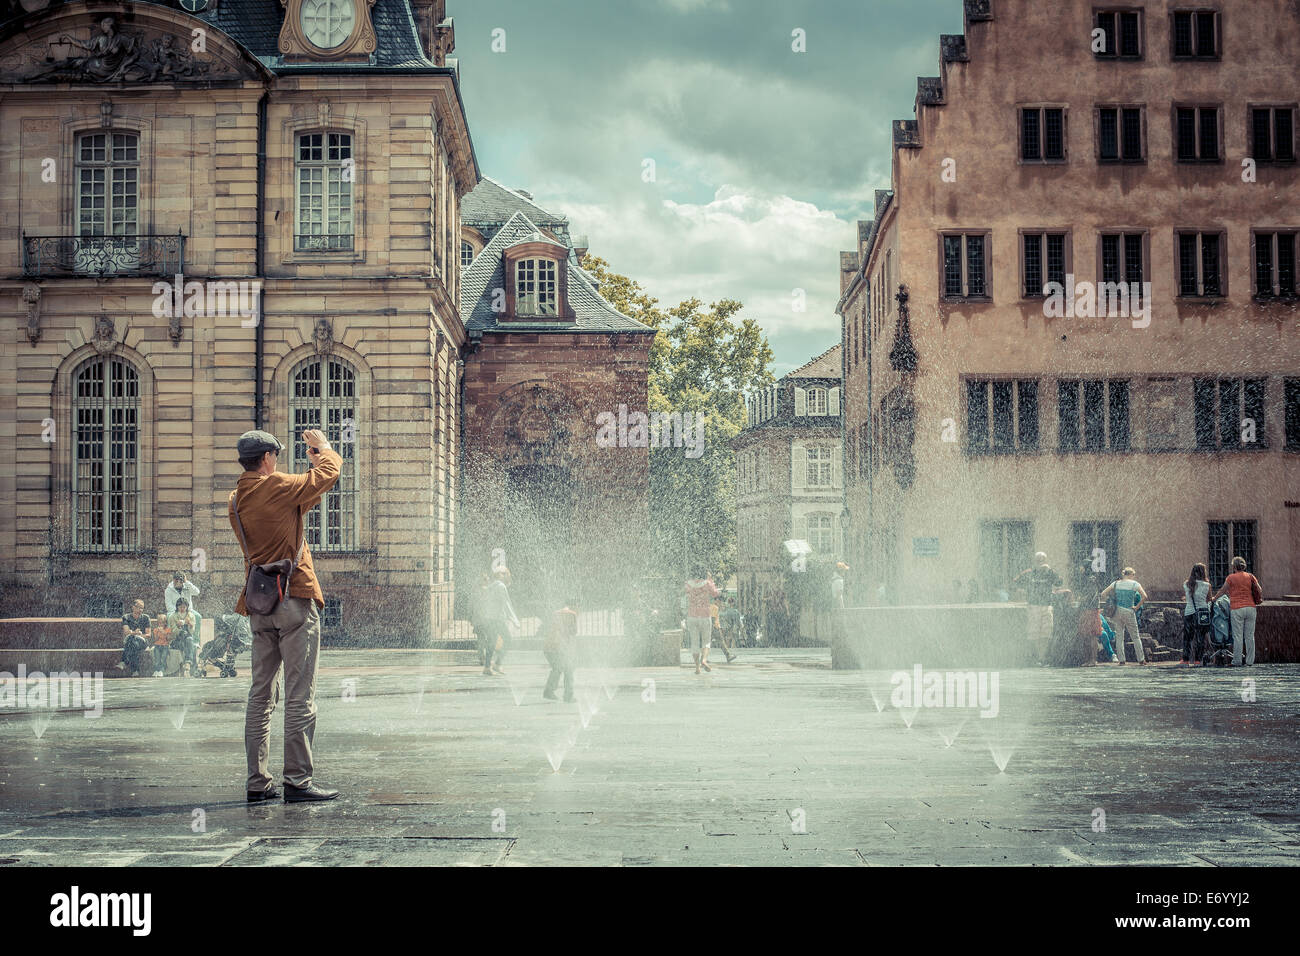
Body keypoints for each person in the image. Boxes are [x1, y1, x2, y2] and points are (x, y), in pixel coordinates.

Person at [229, 428, 341, 804]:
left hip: (259, 605)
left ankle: (257, 782)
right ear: (266, 460)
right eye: (275, 457)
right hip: (293, 599)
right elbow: (326, 476)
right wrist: (322, 449)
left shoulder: (236, 499)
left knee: (260, 695)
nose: (276, 462)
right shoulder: (275, 486)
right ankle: (297, 779)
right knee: (299, 693)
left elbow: (292, 508)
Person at [1012, 552, 1063, 663]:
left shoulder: (1049, 572)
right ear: (1034, 561)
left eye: (1042, 560)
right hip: (1033, 606)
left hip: (1046, 605)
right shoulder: (1029, 572)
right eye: (1038, 560)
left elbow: (1059, 582)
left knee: (1046, 633)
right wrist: (1023, 592)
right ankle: (1036, 657)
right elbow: (1015, 582)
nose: (1040, 563)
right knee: (1034, 633)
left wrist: (1051, 570)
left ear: (1045, 561)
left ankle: (1042, 657)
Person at [1221, 556, 1263, 667]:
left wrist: (1214, 599)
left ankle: (1237, 661)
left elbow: (1222, 590)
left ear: (1234, 566)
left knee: (1238, 636)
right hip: (1251, 607)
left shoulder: (1231, 578)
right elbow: (1259, 589)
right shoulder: (1250, 576)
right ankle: (1250, 661)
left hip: (1237, 608)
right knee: (1249, 636)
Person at [1101, 567, 1149, 664]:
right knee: (1135, 636)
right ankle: (1141, 659)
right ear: (1131, 574)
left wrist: (1111, 600)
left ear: (1124, 574)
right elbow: (1145, 596)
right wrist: (1136, 607)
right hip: (1129, 611)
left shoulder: (1115, 583)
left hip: (1117, 611)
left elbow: (1103, 594)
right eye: (1133, 575)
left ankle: (1121, 660)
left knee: (1119, 636)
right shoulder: (1135, 584)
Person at [481, 567, 520, 676]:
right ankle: (497, 663)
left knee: (491, 643)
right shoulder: (501, 586)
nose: (508, 577)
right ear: (502, 575)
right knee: (508, 640)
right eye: (507, 574)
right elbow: (507, 604)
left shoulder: (491, 586)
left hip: (489, 618)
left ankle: (487, 667)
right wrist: (515, 620)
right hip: (497, 619)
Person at [1075, 566, 1117, 664]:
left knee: (1092, 635)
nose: (1080, 569)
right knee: (1086, 635)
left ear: (1086, 568)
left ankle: (1092, 660)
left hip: (1091, 610)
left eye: (1082, 567)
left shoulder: (1090, 579)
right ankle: (1088, 660)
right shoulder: (1088, 579)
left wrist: (1081, 599)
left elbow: (1091, 595)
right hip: (1087, 609)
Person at [542, 598, 580, 702]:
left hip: (548, 646)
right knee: (568, 669)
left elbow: (549, 629)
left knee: (557, 668)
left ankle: (549, 691)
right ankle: (568, 695)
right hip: (560, 647)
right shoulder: (572, 614)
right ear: (575, 605)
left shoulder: (556, 613)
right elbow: (573, 632)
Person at [684, 568, 720, 674]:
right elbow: (715, 594)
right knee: (706, 641)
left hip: (692, 616)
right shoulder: (707, 583)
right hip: (705, 616)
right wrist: (710, 579)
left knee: (694, 643)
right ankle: (704, 660)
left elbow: (684, 593)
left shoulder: (688, 584)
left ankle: (697, 667)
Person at [1182, 563, 1212, 667]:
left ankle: (1185, 660)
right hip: (1202, 613)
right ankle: (1197, 660)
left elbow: (1189, 596)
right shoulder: (1207, 585)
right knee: (1200, 637)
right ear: (1203, 572)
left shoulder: (1186, 584)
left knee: (1187, 637)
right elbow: (1209, 599)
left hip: (1189, 612)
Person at [115, 599, 150, 676]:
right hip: (129, 640)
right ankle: (135, 670)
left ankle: (124, 662)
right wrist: (134, 633)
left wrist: (139, 635)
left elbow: (148, 634)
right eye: (138, 607)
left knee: (133, 642)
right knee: (133, 643)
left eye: (142, 608)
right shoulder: (126, 617)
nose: (140, 610)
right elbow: (126, 631)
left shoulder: (146, 617)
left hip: (142, 641)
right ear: (133, 607)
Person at [167, 598, 200, 677]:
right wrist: (178, 626)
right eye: (180, 607)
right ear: (177, 607)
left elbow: (192, 632)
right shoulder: (173, 616)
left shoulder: (191, 616)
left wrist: (190, 625)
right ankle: (189, 664)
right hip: (177, 640)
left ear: (187, 607)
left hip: (188, 638)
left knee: (189, 639)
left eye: (184, 607)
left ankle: (188, 663)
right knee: (189, 643)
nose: (182, 609)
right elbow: (173, 631)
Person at [469, 572, 494, 670]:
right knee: (489, 639)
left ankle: (481, 658)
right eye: (487, 580)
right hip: (487, 619)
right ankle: (487, 658)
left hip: (478, 619)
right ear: (486, 581)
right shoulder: (489, 591)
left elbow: (470, 607)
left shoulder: (474, 592)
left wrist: (470, 617)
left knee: (481, 639)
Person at [720, 597, 743, 661]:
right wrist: (741, 629)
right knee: (733, 640)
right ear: (733, 603)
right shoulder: (736, 611)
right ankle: (732, 652)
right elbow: (738, 621)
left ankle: (728, 652)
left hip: (727, 627)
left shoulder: (726, 612)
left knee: (727, 640)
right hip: (734, 627)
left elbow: (724, 620)